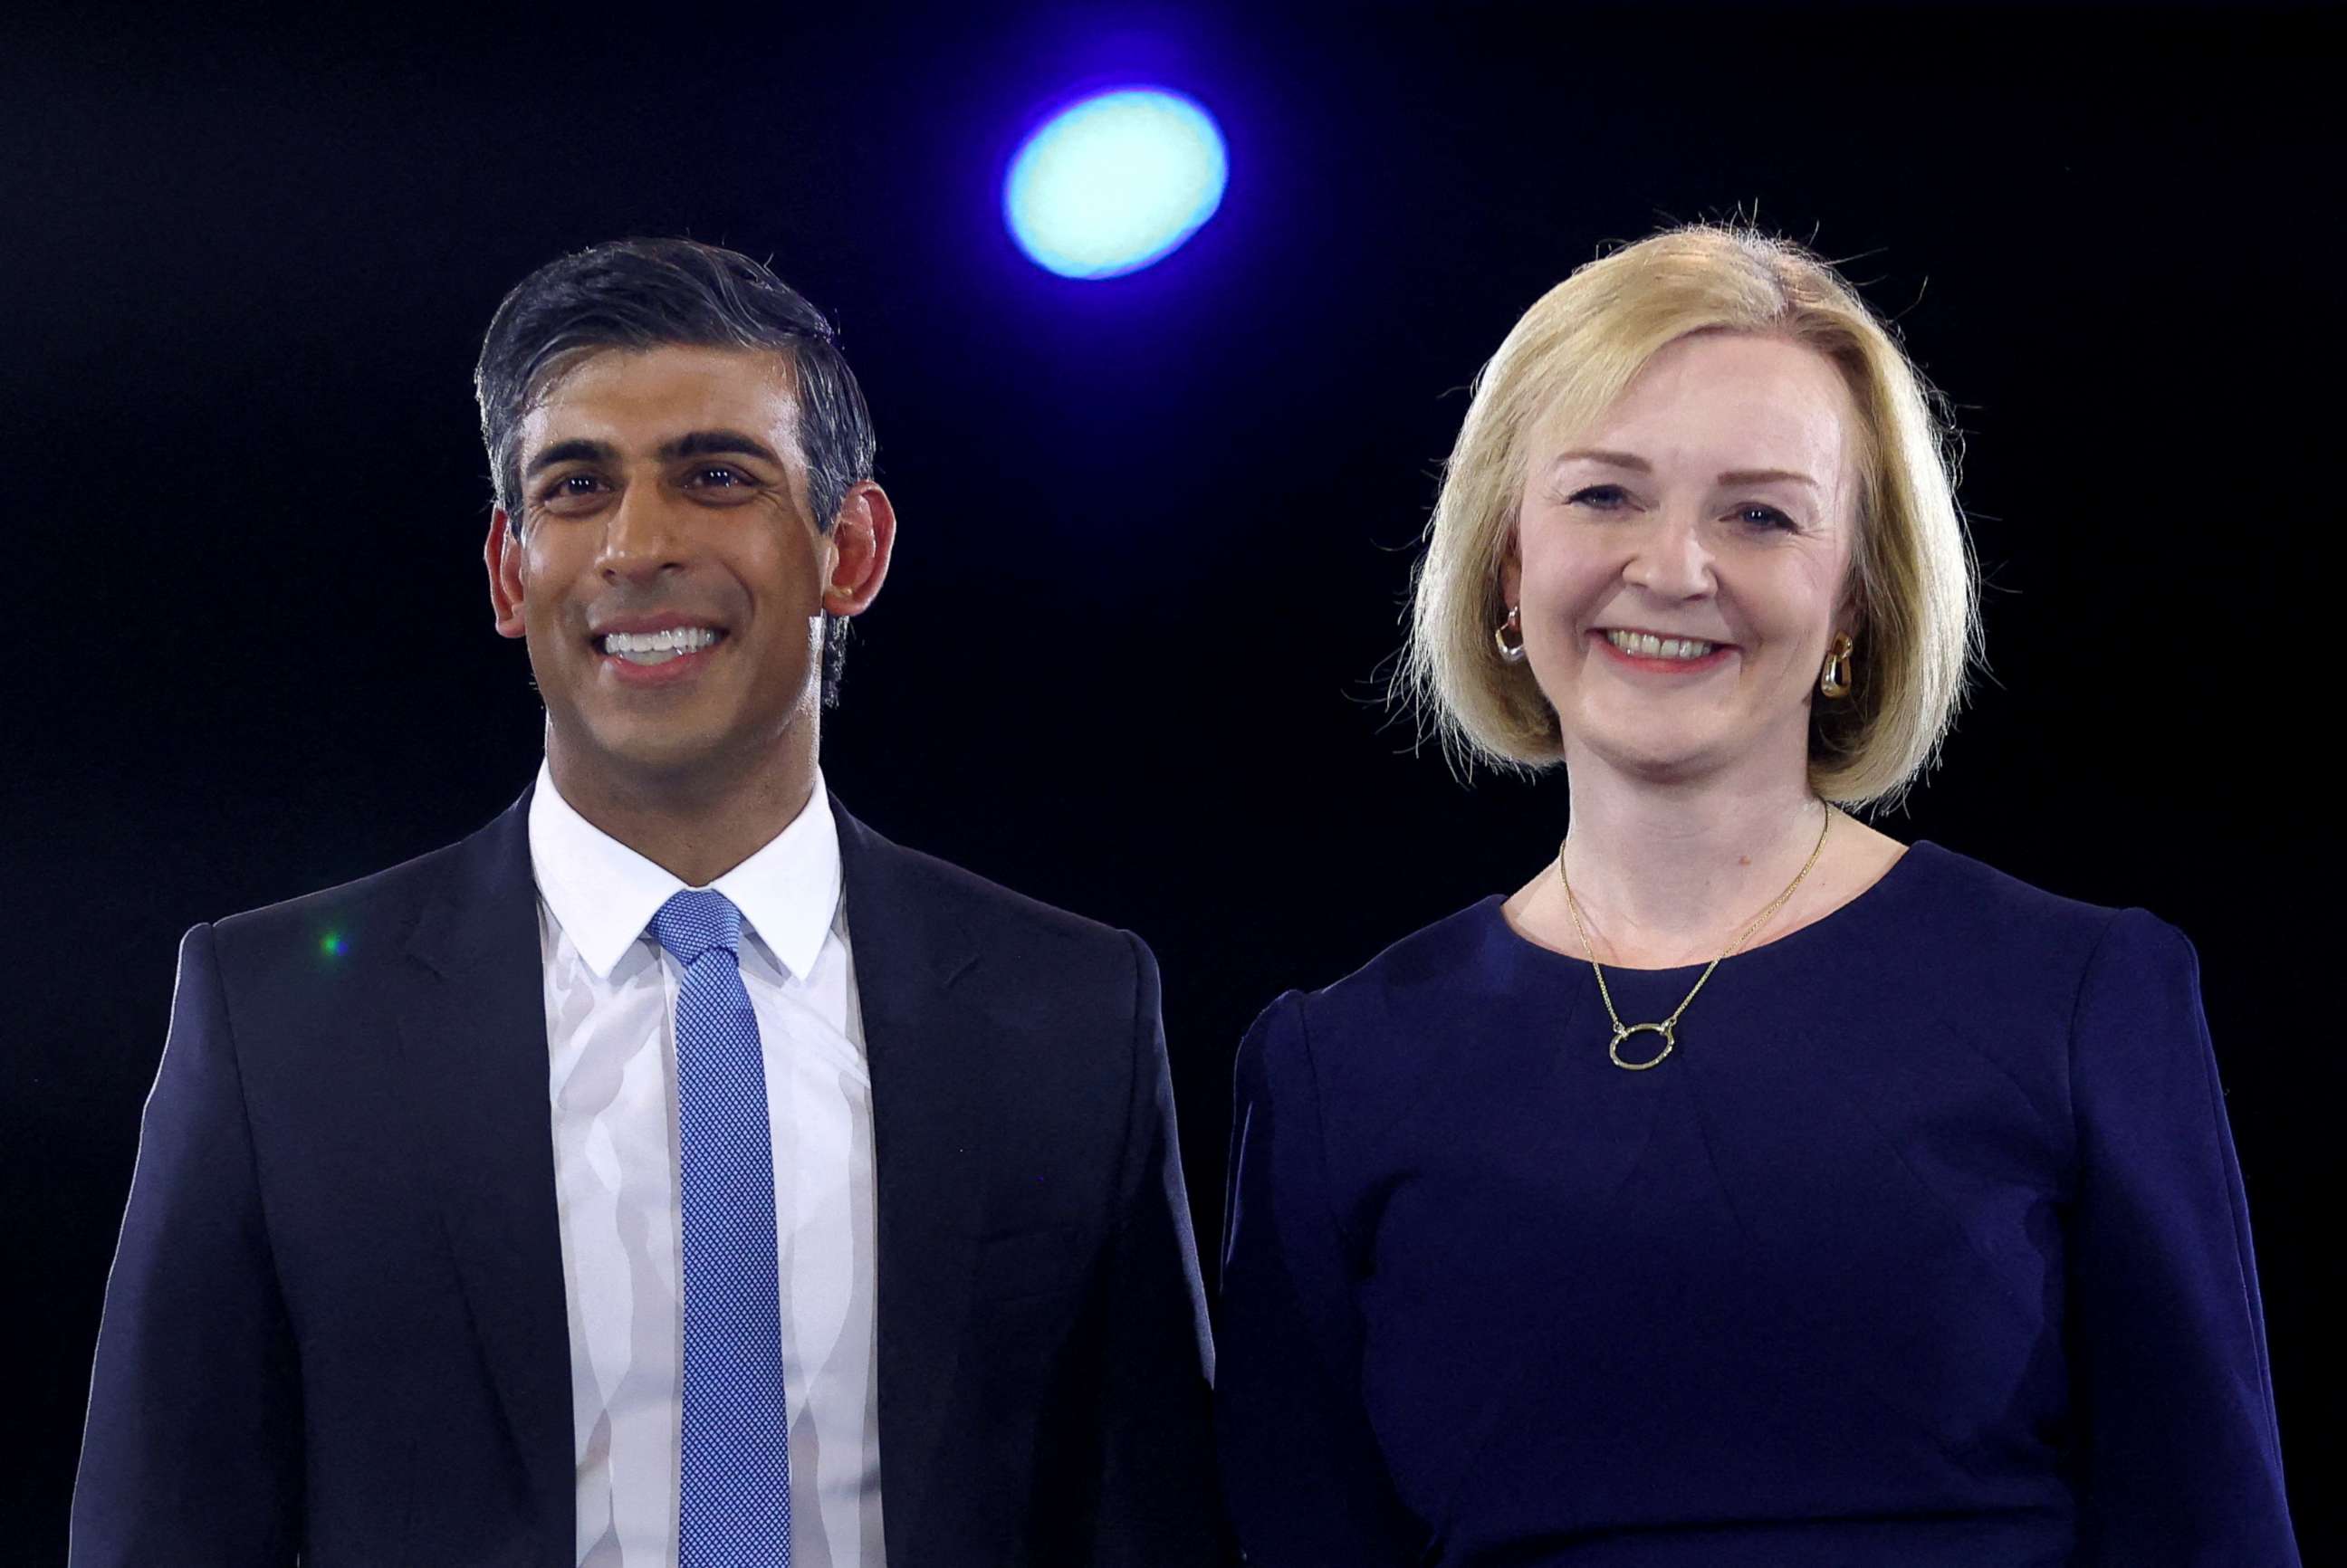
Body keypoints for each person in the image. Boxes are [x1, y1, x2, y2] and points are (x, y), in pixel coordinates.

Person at [72, 238, 1219, 1566]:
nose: (635, 545)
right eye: (576, 487)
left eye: (716, 476)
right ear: (511, 572)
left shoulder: (1069, 1010)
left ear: (851, 549)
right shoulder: (275, 1021)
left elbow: (1154, 1525)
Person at [1214, 225, 2297, 1565]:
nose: (1673, 569)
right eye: (1604, 496)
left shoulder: (2080, 996)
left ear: (1854, 601)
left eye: (1761, 514)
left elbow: (2211, 1532)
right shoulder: (1335, 1065)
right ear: (1505, 562)